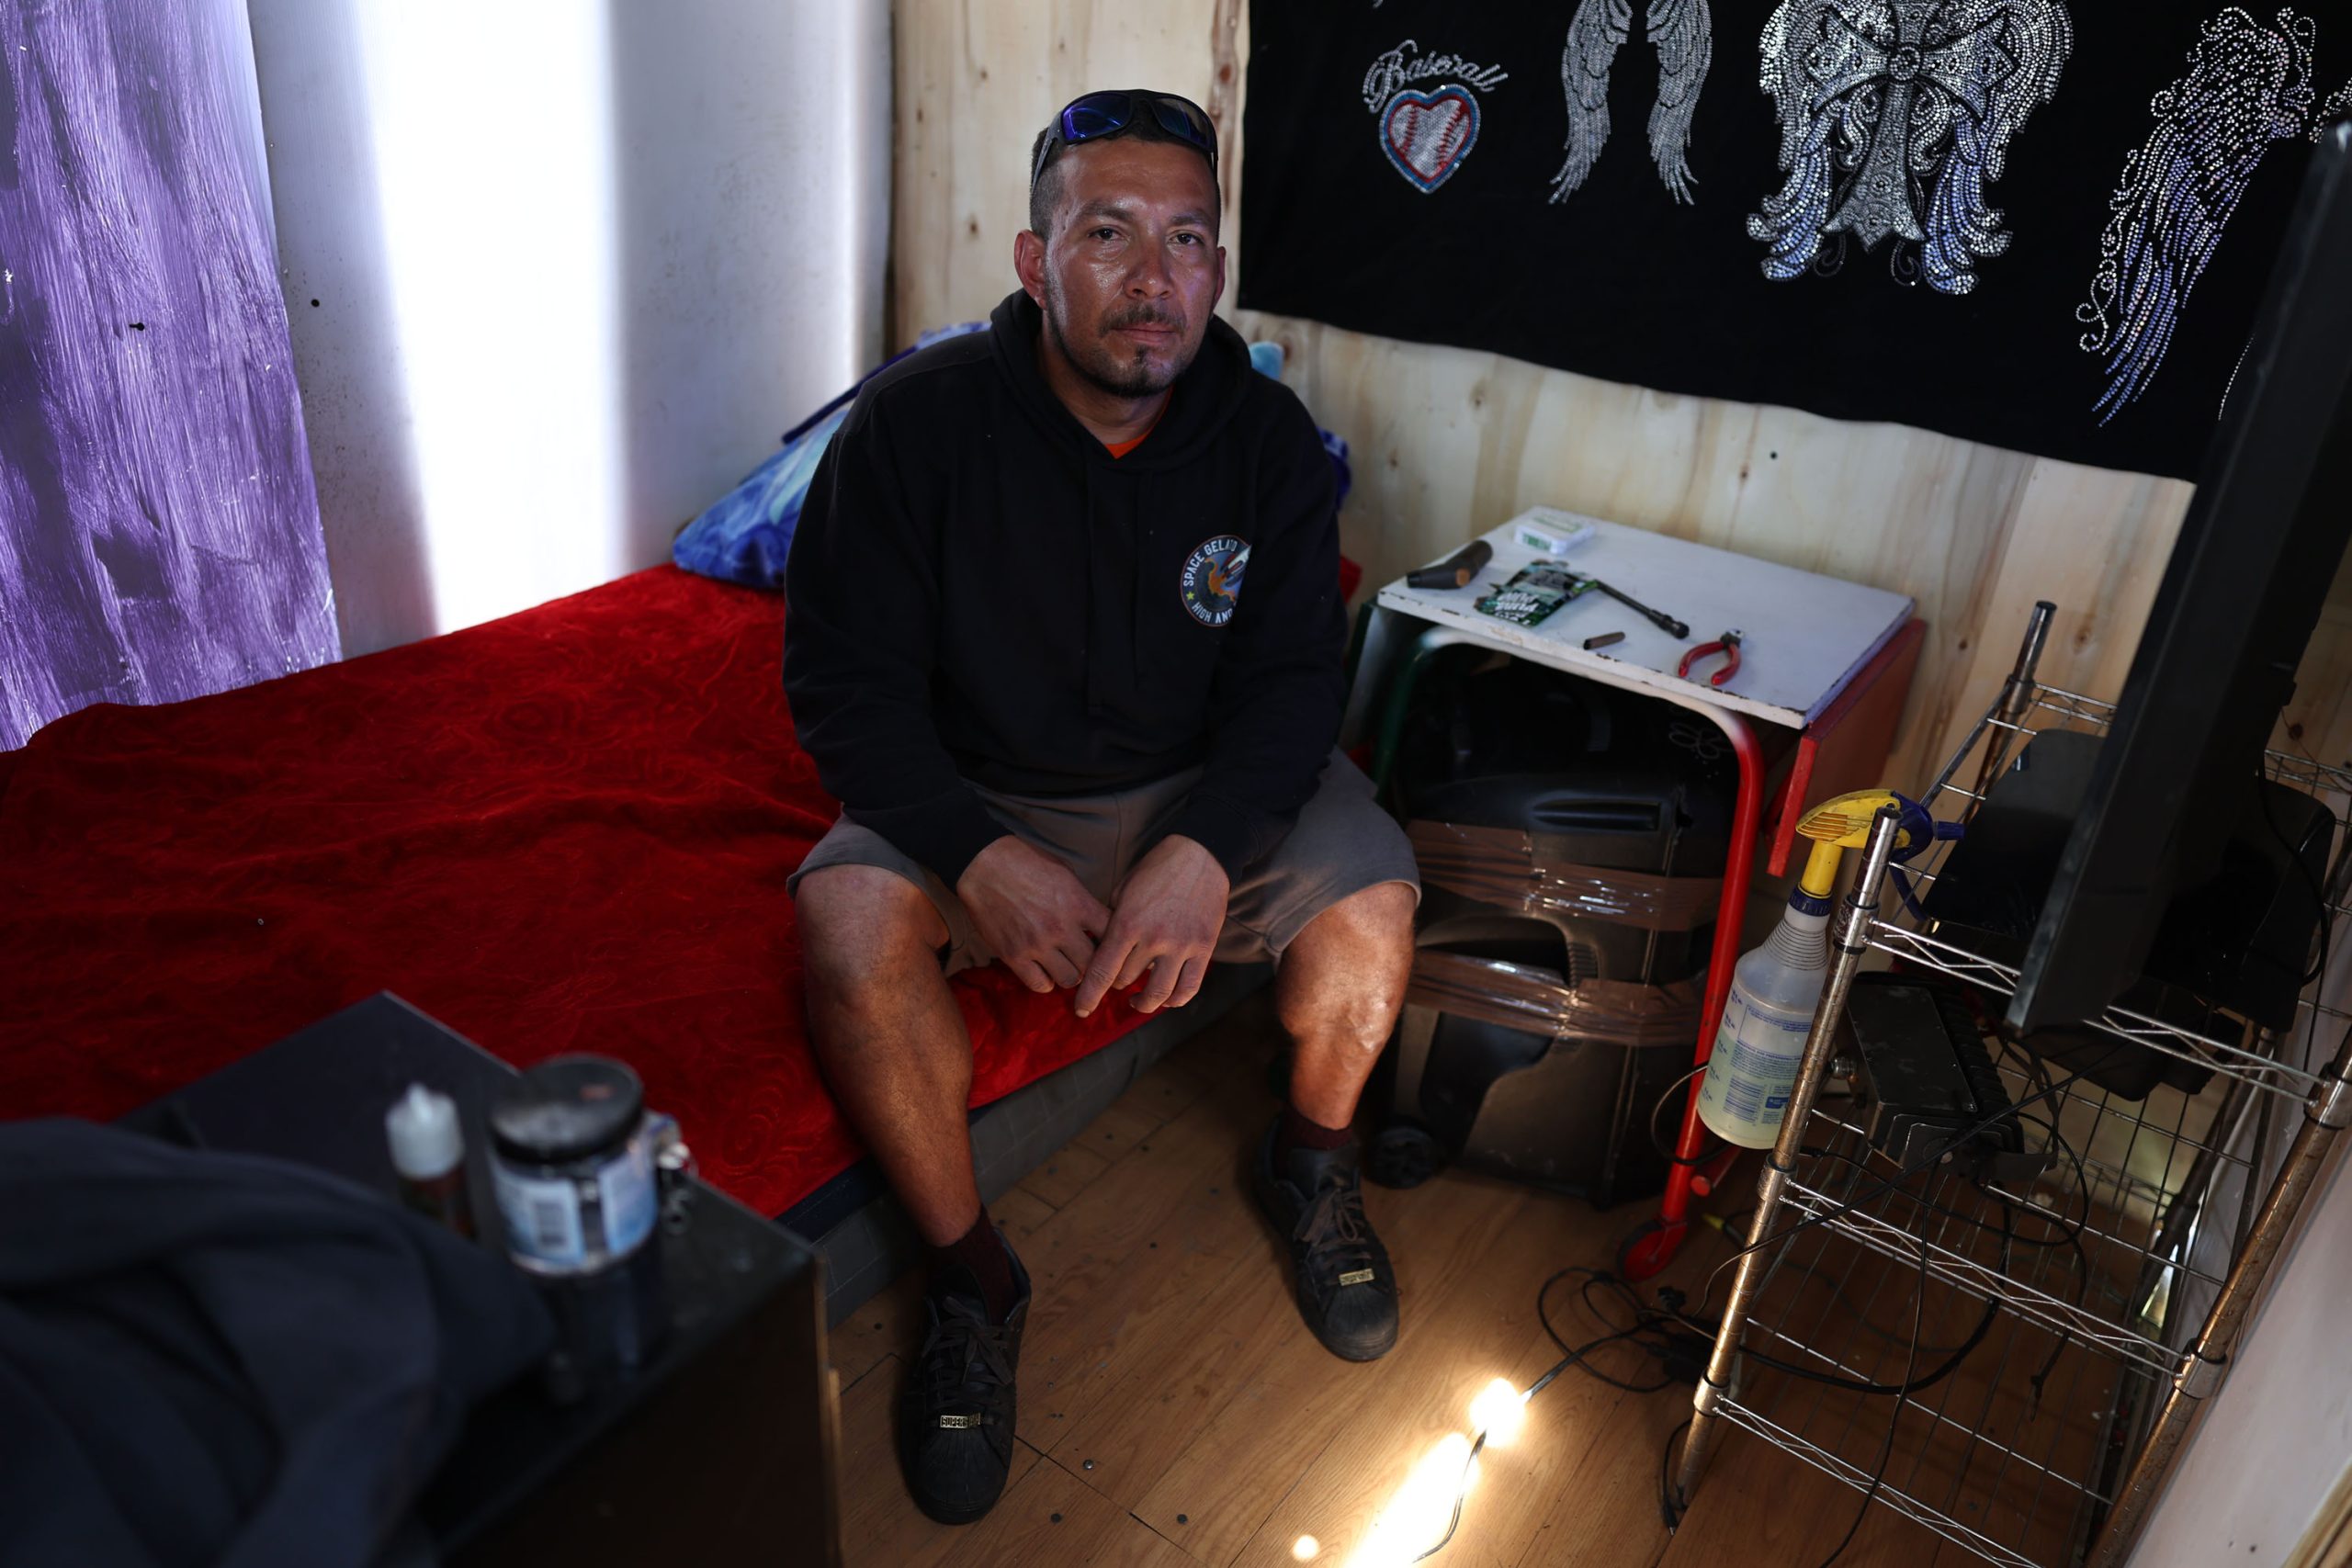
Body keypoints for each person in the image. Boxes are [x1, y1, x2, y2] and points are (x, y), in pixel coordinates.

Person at [783, 87, 1419, 1526]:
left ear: (1217, 267)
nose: (1154, 278)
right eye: (1109, 233)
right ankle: (972, 1279)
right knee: (846, 935)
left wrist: (1204, 850)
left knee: (1376, 905)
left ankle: (1313, 1161)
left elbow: (1294, 686)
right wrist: (974, 854)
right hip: (978, 787)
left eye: (1187, 239)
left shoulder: (1265, 441)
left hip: (1203, 785)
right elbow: (843, 688)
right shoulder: (915, 427)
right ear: (1035, 259)